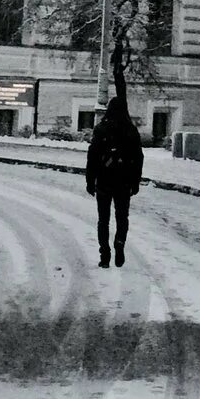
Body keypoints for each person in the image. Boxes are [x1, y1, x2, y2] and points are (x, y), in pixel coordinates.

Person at [84, 94, 144, 269]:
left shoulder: (101, 128)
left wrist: (90, 180)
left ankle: (105, 254)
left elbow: (93, 156)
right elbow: (138, 157)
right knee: (122, 217)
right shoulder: (131, 130)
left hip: (104, 179)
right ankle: (120, 243)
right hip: (124, 181)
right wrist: (135, 181)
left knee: (103, 219)